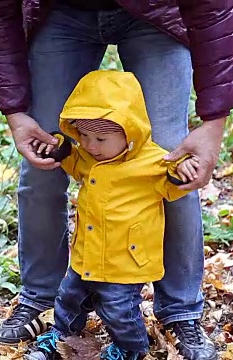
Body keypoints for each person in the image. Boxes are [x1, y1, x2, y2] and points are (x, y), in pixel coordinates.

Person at [0, 1, 233, 359]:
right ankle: (42, 301)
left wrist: (214, 120)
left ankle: (181, 309)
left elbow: (213, 8)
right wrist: (15, 113)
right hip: (61, 11)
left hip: (156, 12)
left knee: (170, 158)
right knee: (44, 158)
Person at [25, 70, 202, 360]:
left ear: (130, 132)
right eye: (83, 135)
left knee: (119, 309)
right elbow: (71, 158)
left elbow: (172, 179)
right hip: (87, 255)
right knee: (68, 298)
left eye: (101, 138)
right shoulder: (88, 157)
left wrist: (182, 171)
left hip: (125, 261)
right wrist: (59, 148)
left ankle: (130, 347)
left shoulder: (153, 162)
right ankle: (61, 336)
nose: (91, 145)